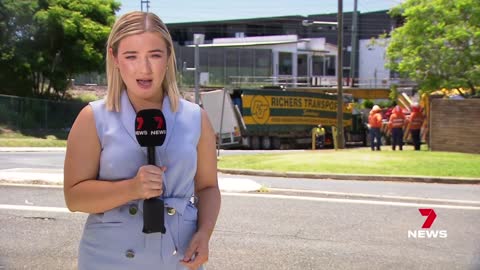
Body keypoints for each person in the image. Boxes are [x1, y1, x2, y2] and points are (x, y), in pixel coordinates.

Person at [63, 11, 221, 270]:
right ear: (115, 58)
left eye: (155, 55)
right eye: (131, 56)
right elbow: (74, 198)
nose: (144, 68)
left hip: (178, 257)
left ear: (169, 56)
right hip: (107, 259)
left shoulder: (196, 118)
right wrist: (132, 188)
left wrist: (204, 233)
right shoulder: (93, 118)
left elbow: (208, 188)